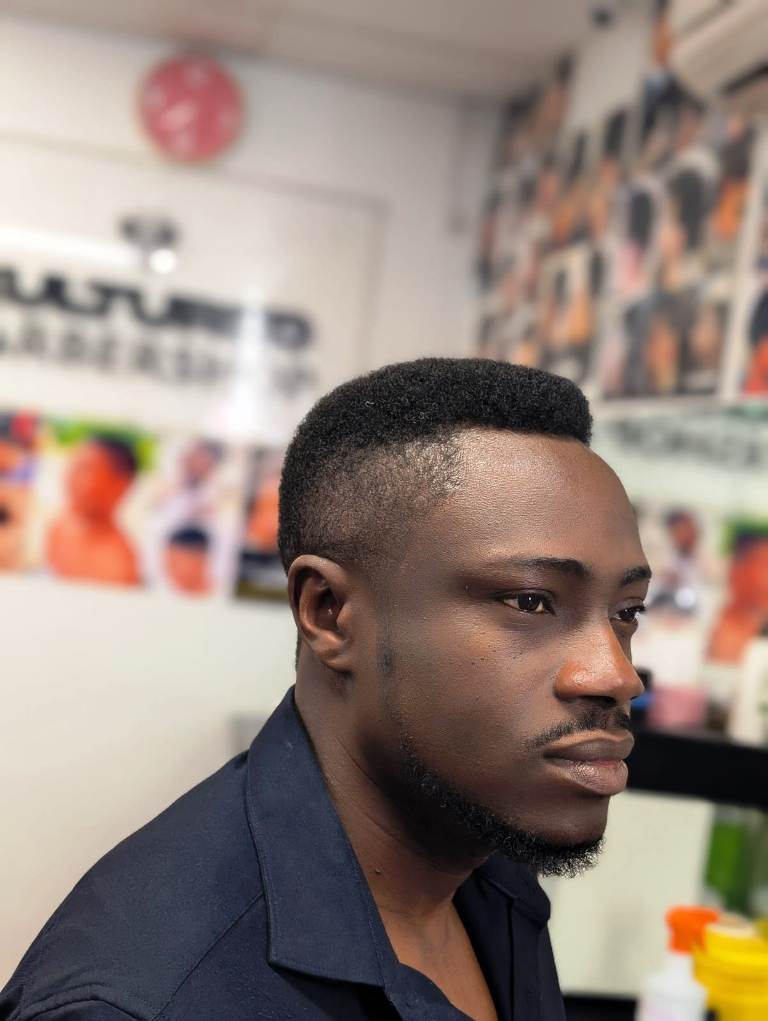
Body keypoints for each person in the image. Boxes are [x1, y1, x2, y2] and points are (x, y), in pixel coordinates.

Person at [1, 359, 650, 1021]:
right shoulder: (145, 1001)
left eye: (627, 611)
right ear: (329, 613)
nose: (616, 675)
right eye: (530, 601)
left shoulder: (483, 863)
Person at [45, 435, 140, 586]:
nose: (70, 478)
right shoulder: (58, 524)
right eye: (72, 466)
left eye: (85, 469)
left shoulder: (116, 567)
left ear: (120, 485)